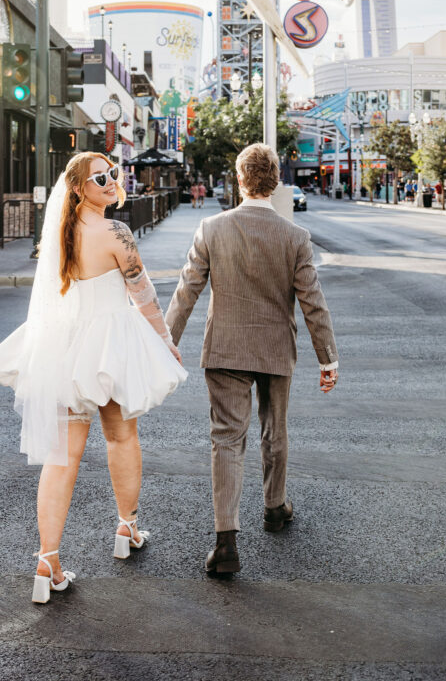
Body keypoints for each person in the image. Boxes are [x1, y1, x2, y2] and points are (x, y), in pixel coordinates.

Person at [0, 153, 187, 603]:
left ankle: (47, 561)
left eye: (113, 172)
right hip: (110, 349)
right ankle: (126, 528)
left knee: (62, 458)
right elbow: (145, 296)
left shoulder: (61, 233)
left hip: (67, 351)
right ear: (79, 188)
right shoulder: (115, 232)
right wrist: (166, 340)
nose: (111, 180)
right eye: (101, 177)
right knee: (121, 438)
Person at [165, 142, 338, 575]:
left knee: (226, 438)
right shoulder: (295, 237)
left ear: (239, 179)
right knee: (273, 429)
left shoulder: (211, 228)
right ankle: (274, 508)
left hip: (224, 347)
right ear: (275, 181)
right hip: (276, 347)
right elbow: (312, 302)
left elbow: (187, 291)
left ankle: (226, 542)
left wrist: (165, 341)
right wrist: (327, 358)